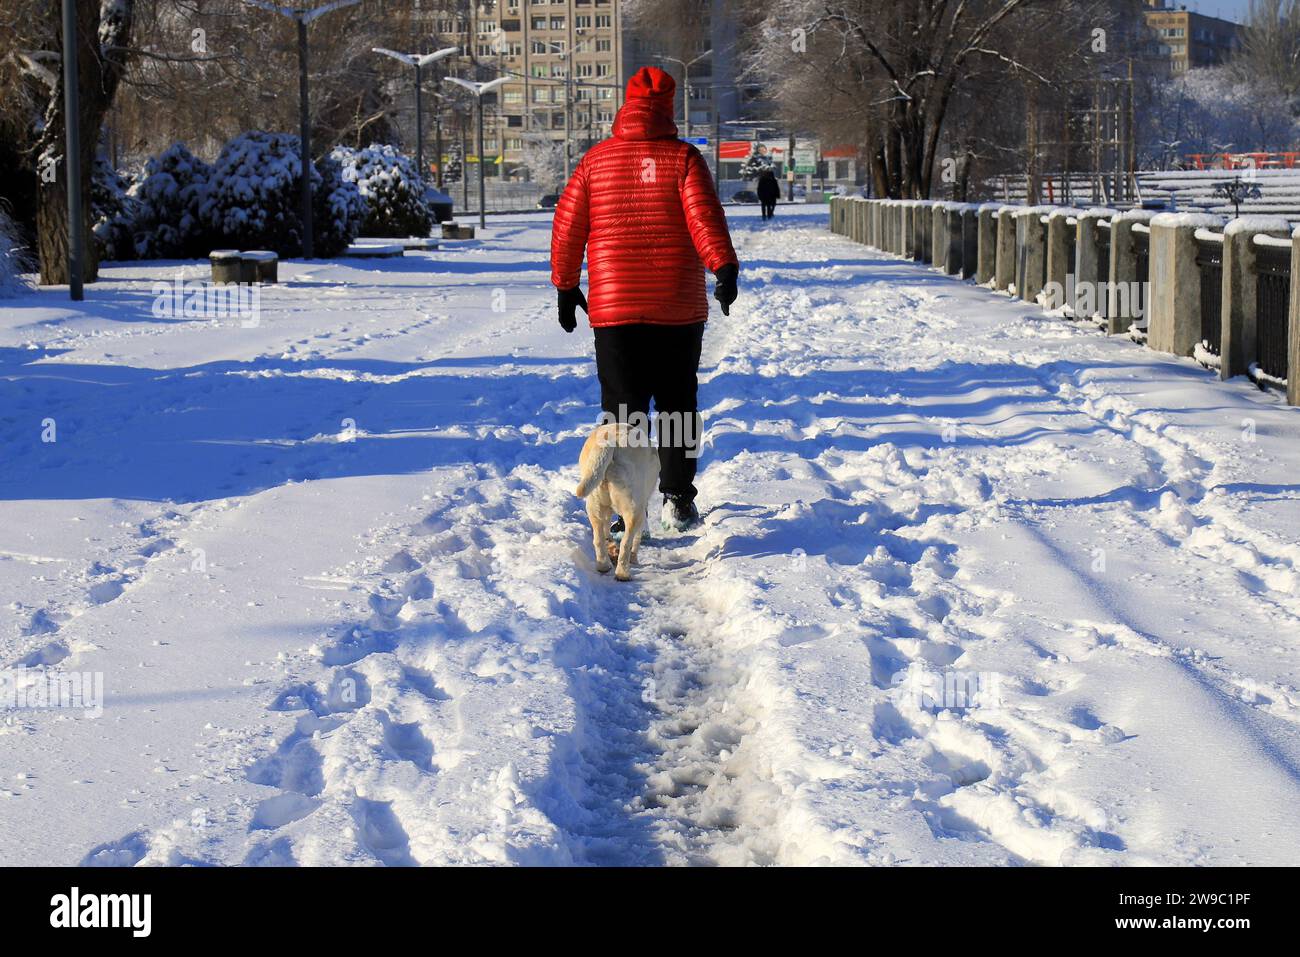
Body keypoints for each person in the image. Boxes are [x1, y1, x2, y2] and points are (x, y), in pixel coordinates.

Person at [550, 65, 739, 533]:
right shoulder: (683, 159)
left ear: (625, 107)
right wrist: (724, 266)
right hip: (676, 308)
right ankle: (677, 498)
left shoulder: (596, 160)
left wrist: (566, 284)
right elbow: (704, 219)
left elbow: (568, 225)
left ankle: (625, 510)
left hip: (615, 312)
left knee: (624, 412)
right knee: (677, 405)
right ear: (667, 110)